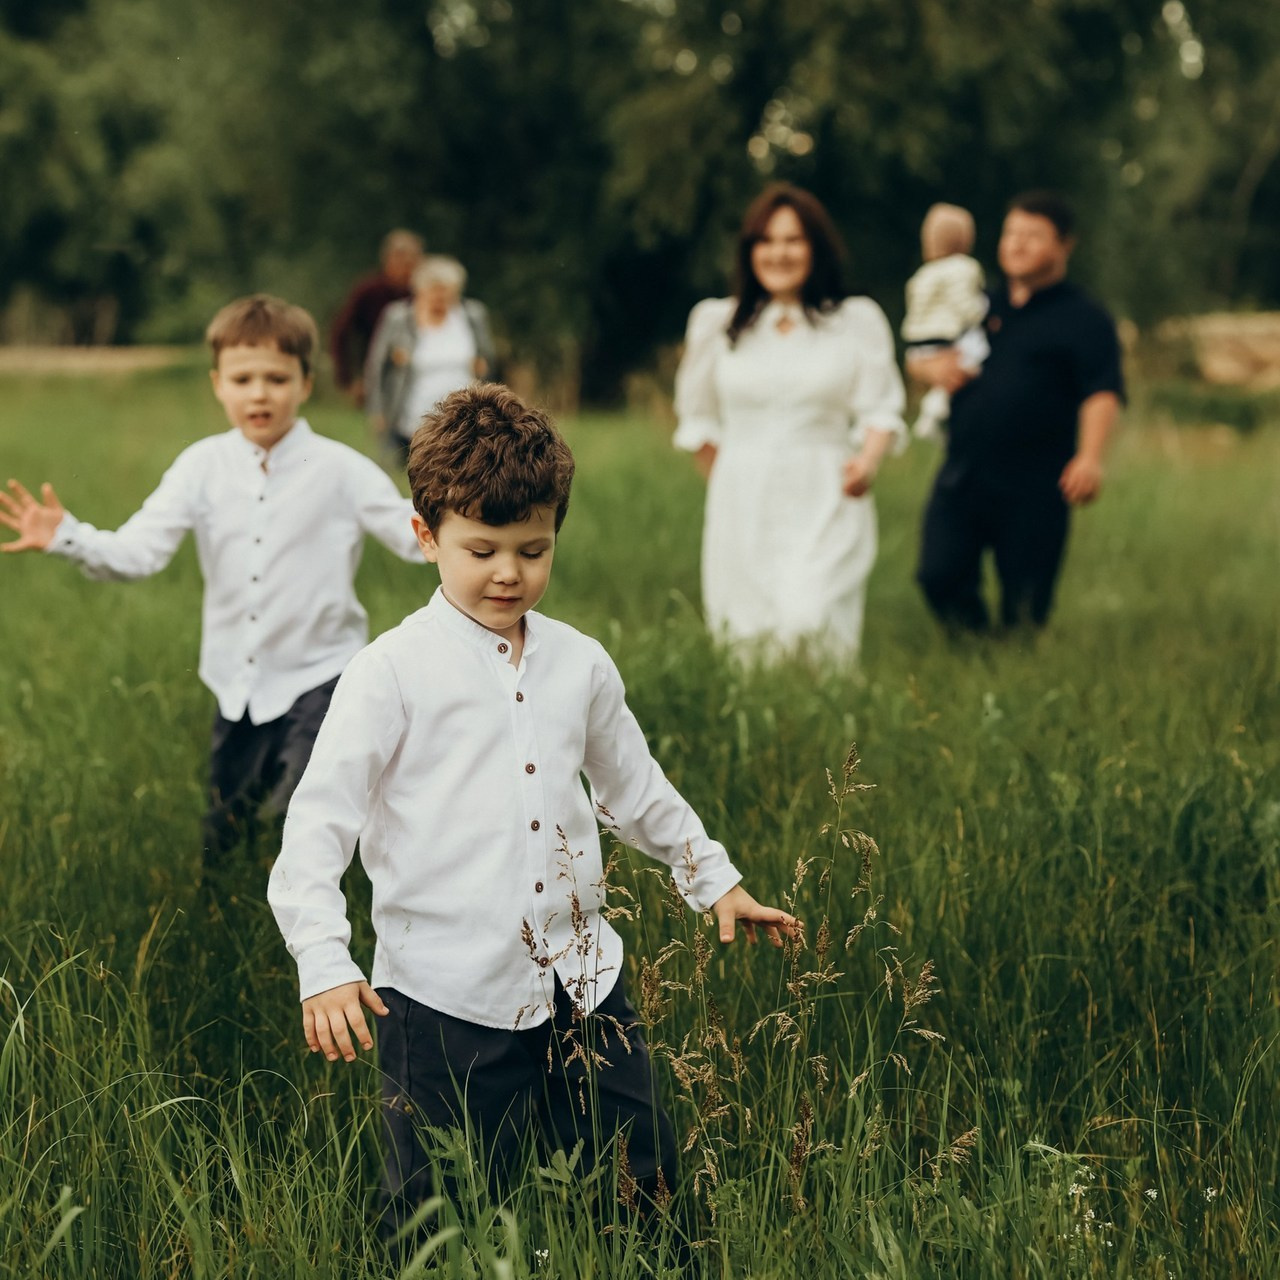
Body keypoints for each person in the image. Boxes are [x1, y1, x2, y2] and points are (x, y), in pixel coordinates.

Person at [267, 384, 799, 1236]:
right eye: (481, 549)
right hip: (442, 993)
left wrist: (715, 880)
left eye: (533, 550)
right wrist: (325, 960)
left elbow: (635, 789)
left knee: (643, 1174)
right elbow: (317, 825)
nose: (509, 573)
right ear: (425, 535)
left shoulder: (580, 663)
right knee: (434, 1208)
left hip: (584, 976)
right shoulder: (391, 671)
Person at [0, 295, 425, 864]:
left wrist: (469, 520)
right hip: (237, 681)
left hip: (324, 674)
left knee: (300, 809)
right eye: (242, 378)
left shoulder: (340, 468)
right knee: (225, 830)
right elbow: (139, 551)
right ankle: (223, 909)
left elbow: (409, 530)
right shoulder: (200, 466)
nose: (259, 393)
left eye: (276, 377)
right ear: (217, 384)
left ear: (305, 382)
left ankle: (312, 910)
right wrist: (67, 536)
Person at [673, 183, 907, 661]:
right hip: (741, 498)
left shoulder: (855, 322)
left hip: (826, 491)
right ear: (750, 250)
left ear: (816, 248)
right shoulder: (717, 324)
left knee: (812, 621)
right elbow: (696, 418)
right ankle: (767, 734)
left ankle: (842, 738)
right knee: (749, 639)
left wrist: (867, 461)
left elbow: (881, 408)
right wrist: (728, 478)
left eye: (793, 240)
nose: (779, 253)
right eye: (766, 240)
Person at [911, 191, 1125, 631]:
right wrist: (931, 369)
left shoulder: (1085, 318)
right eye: (1011, 233)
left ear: (1065, 244)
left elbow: (1101, 391)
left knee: (1026, 607)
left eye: (1032, 236)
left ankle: (1010, 669)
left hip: (1037, 482)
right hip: (963, 472)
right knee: (938, 574)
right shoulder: (976, 305)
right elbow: (923, 350)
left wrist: (1090, 458)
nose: (1016, 244)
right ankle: (972, 652)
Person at [364, 254, 497, 464]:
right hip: (411, 420)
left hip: (465, 421)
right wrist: (377, 409)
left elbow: (488, 358)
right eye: (434, 290)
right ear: (420, 290)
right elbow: (377, 365)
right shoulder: (399, 317)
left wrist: (483, 367)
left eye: (446, 291)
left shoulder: (472, 315)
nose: (439, 297)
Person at [902, 203, 990, 440]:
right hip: (948, 335)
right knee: (978, 354)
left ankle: (936, 411)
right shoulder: (963, 267)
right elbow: (965, 302)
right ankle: (937, 406)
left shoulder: (923, 274)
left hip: (919, 343)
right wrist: (982, 317)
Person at [328, 229, 424, 405]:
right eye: (401, 260)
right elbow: (342, 333)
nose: (407, 268)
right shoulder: (369, 291)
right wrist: (350, 379)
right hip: (379, 375)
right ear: (388, 260)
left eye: (412, 262)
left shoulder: (424, 295)